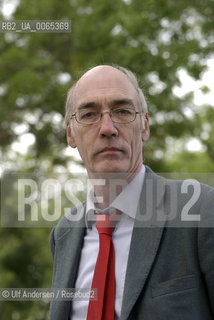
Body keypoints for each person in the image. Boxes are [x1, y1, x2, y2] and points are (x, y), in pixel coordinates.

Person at [49, 65, 214, 320]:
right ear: (71, 133)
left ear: (144, 125)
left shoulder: (201, 209)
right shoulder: (63, 235)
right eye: (90, 114)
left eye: (123, 111)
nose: (107, 128)